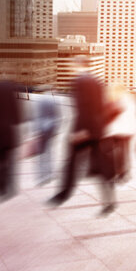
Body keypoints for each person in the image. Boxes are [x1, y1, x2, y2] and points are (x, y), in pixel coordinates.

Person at [48, 55, 115, 215]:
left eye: (73, 64)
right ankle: (110, 201)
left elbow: (83, 108)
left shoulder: (79, 81)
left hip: (85, 130)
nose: (71, 67)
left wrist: (81, 131)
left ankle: (63, 194)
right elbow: (101, 108)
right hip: (97, 130)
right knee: (100, 165)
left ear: (78, 64)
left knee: (71, 163)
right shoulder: (97, 81)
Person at [0, 80, 21, 200]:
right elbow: (18, 120)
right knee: (8, 163)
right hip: (8, 139)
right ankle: (7, 187)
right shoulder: (12, 107)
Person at [34, 89, 59, 186]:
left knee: (41, 153)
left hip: (41, 128)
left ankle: (41, 176)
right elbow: (56, 116)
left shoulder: (40, 100)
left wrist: (35, 130)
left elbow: (37, 116)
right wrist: (56, 129)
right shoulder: (53, 101)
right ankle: (50, 173)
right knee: (49, 152)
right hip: (50, 127)